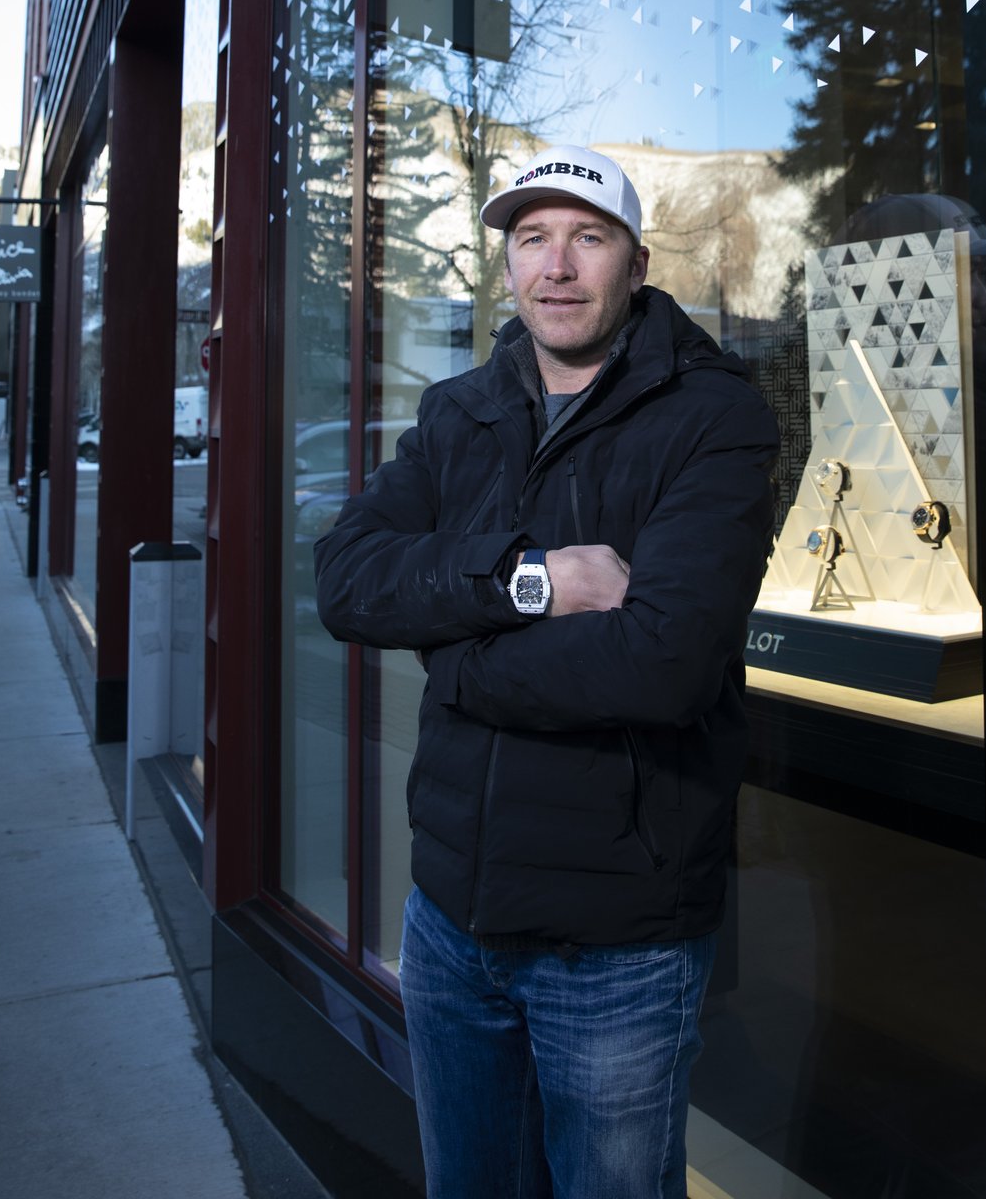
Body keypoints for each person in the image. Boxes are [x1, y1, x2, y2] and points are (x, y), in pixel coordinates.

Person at [316, 143, 779, 1198]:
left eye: (587, 238)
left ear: (636, 263)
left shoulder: (715, 419)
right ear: (508, 264)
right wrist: (529, 584)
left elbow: (661, 665)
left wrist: (450, 650)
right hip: (449, 920)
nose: (556, 266)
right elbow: (346, 581)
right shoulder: (459, 412)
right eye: (532, 239)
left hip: (613, 946)